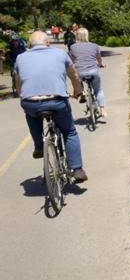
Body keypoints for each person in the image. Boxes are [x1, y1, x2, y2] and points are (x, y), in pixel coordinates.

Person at [14, 31, 88, 182]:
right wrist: (78, 91)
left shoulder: (20, 57)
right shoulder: (60, 54)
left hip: (30, 101)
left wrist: (24, 96)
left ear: (30, 44)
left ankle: (39, 145)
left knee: (30, 113)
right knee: (69, 132)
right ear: (47, 42)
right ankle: (77, 169)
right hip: (57, 100)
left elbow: (18, 84)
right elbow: (73, 75)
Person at [69, 28, 107, 117]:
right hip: (93, 71)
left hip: (80, 72)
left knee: (78, 77)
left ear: (77, 36)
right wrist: (101, 64)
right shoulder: (95, 46)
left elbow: (72, 61)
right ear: (87, 35)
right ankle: (103, 110)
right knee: (98, 90)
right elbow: (99, 59)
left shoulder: (73, 47)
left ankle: (82, 92)